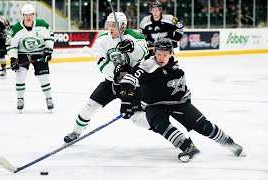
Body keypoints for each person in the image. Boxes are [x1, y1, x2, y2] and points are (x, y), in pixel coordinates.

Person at [63, 13, 200, 162]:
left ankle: (174, 135)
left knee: (138, 118)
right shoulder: (102, 40)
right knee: (89, 106)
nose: (110, 28)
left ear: (122, 26)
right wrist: (114, 72)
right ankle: (75, 133)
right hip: (111, 83)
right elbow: (101, 62)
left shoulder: (134, 36)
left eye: (114, 25)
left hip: (132, 83)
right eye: (109, 25)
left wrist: (132, 47)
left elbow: (143, 52)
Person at [119, 38, 246, 159]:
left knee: (203, 126)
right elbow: (128, 80)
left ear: (171, 54)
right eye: (158, 54)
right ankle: (188, 147)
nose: (161, 58)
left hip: (178, 103)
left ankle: (229, 143)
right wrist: (126, 102)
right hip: (155, 105)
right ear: (154, 54)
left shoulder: (175, 66)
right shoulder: (148, 65)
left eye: (165, 54)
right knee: (160, 124)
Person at [7, 3, 54, 111]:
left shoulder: (42, 24)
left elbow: (50, 37)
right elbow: (11, 45)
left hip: (39, 53)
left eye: (30, 14)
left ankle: (49, 98)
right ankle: (20, 99)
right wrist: (13, 59)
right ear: (23, 15)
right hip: (22, 54)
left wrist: (48, 50)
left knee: (43, 77)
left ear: (33, 14)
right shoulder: (16, 28)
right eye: (26, 14)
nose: (28, 17)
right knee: (20, 76)